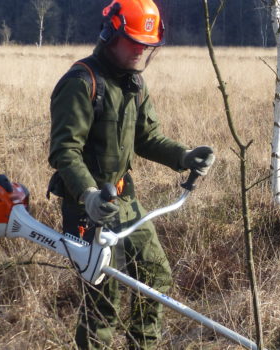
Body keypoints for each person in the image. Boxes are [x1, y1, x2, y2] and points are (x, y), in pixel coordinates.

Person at [47, 0, 215, 348]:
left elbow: (147, 137)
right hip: (87, 207)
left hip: (125, 199)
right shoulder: (82, 82)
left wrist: (183, 156)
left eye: (147, 45)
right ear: (111, 34)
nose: (141, 51)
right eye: (134, 42)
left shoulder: (135, 84)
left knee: (155, 278)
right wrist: (89, 195)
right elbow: (65, 151)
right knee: (101, 301)